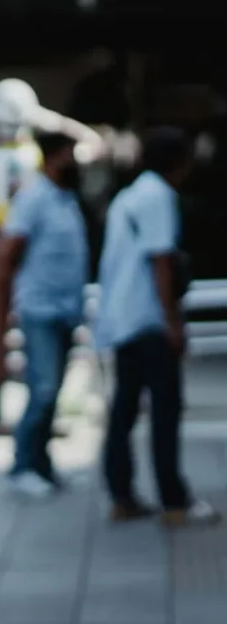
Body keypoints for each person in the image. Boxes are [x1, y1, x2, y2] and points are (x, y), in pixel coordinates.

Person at [95, 127, 219, 526]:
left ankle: (122, 494)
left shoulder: (128, 196)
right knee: (165, 410)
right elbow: (161, 260)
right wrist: (173, 321)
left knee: (125, 410)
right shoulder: (158, 197)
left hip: (121, 317)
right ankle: (173, 499)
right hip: (148, 319)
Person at [0, 130, 90, 497]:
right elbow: (8, 254)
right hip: (40, 309)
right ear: (55, 155)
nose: (75, 162)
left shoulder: (66, 198)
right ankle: (23, 466)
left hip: (64, 310)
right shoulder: (34, 197)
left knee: (53, 392)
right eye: (70, 154)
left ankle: (42, 464)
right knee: (42, 390)